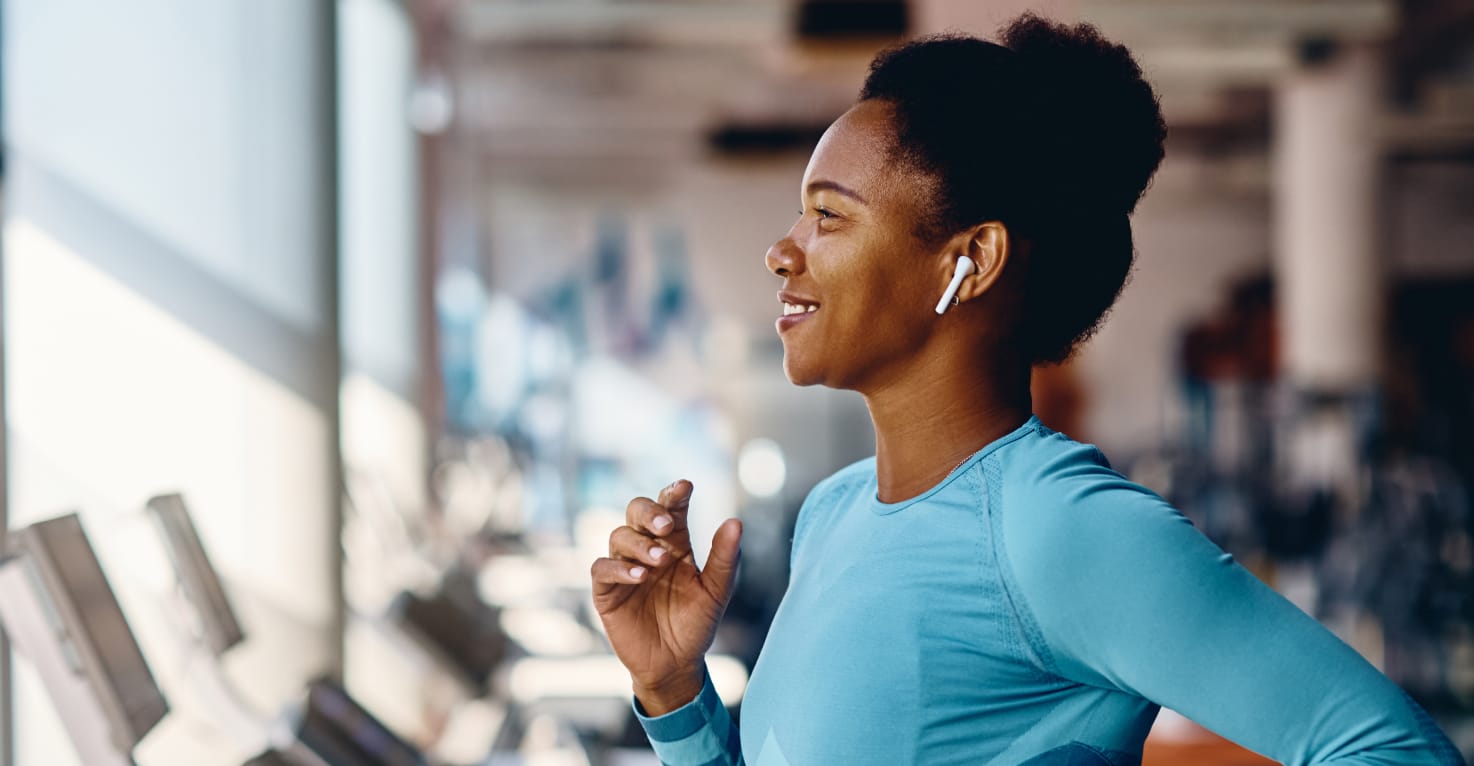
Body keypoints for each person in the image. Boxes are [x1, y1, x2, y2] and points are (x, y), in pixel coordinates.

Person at [589, 13, 1462, 766]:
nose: (784, 250)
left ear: (969, 262)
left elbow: (1391, 747)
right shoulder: (835, 512)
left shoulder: (1057, 529)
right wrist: (673, 692)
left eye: (829, 214)